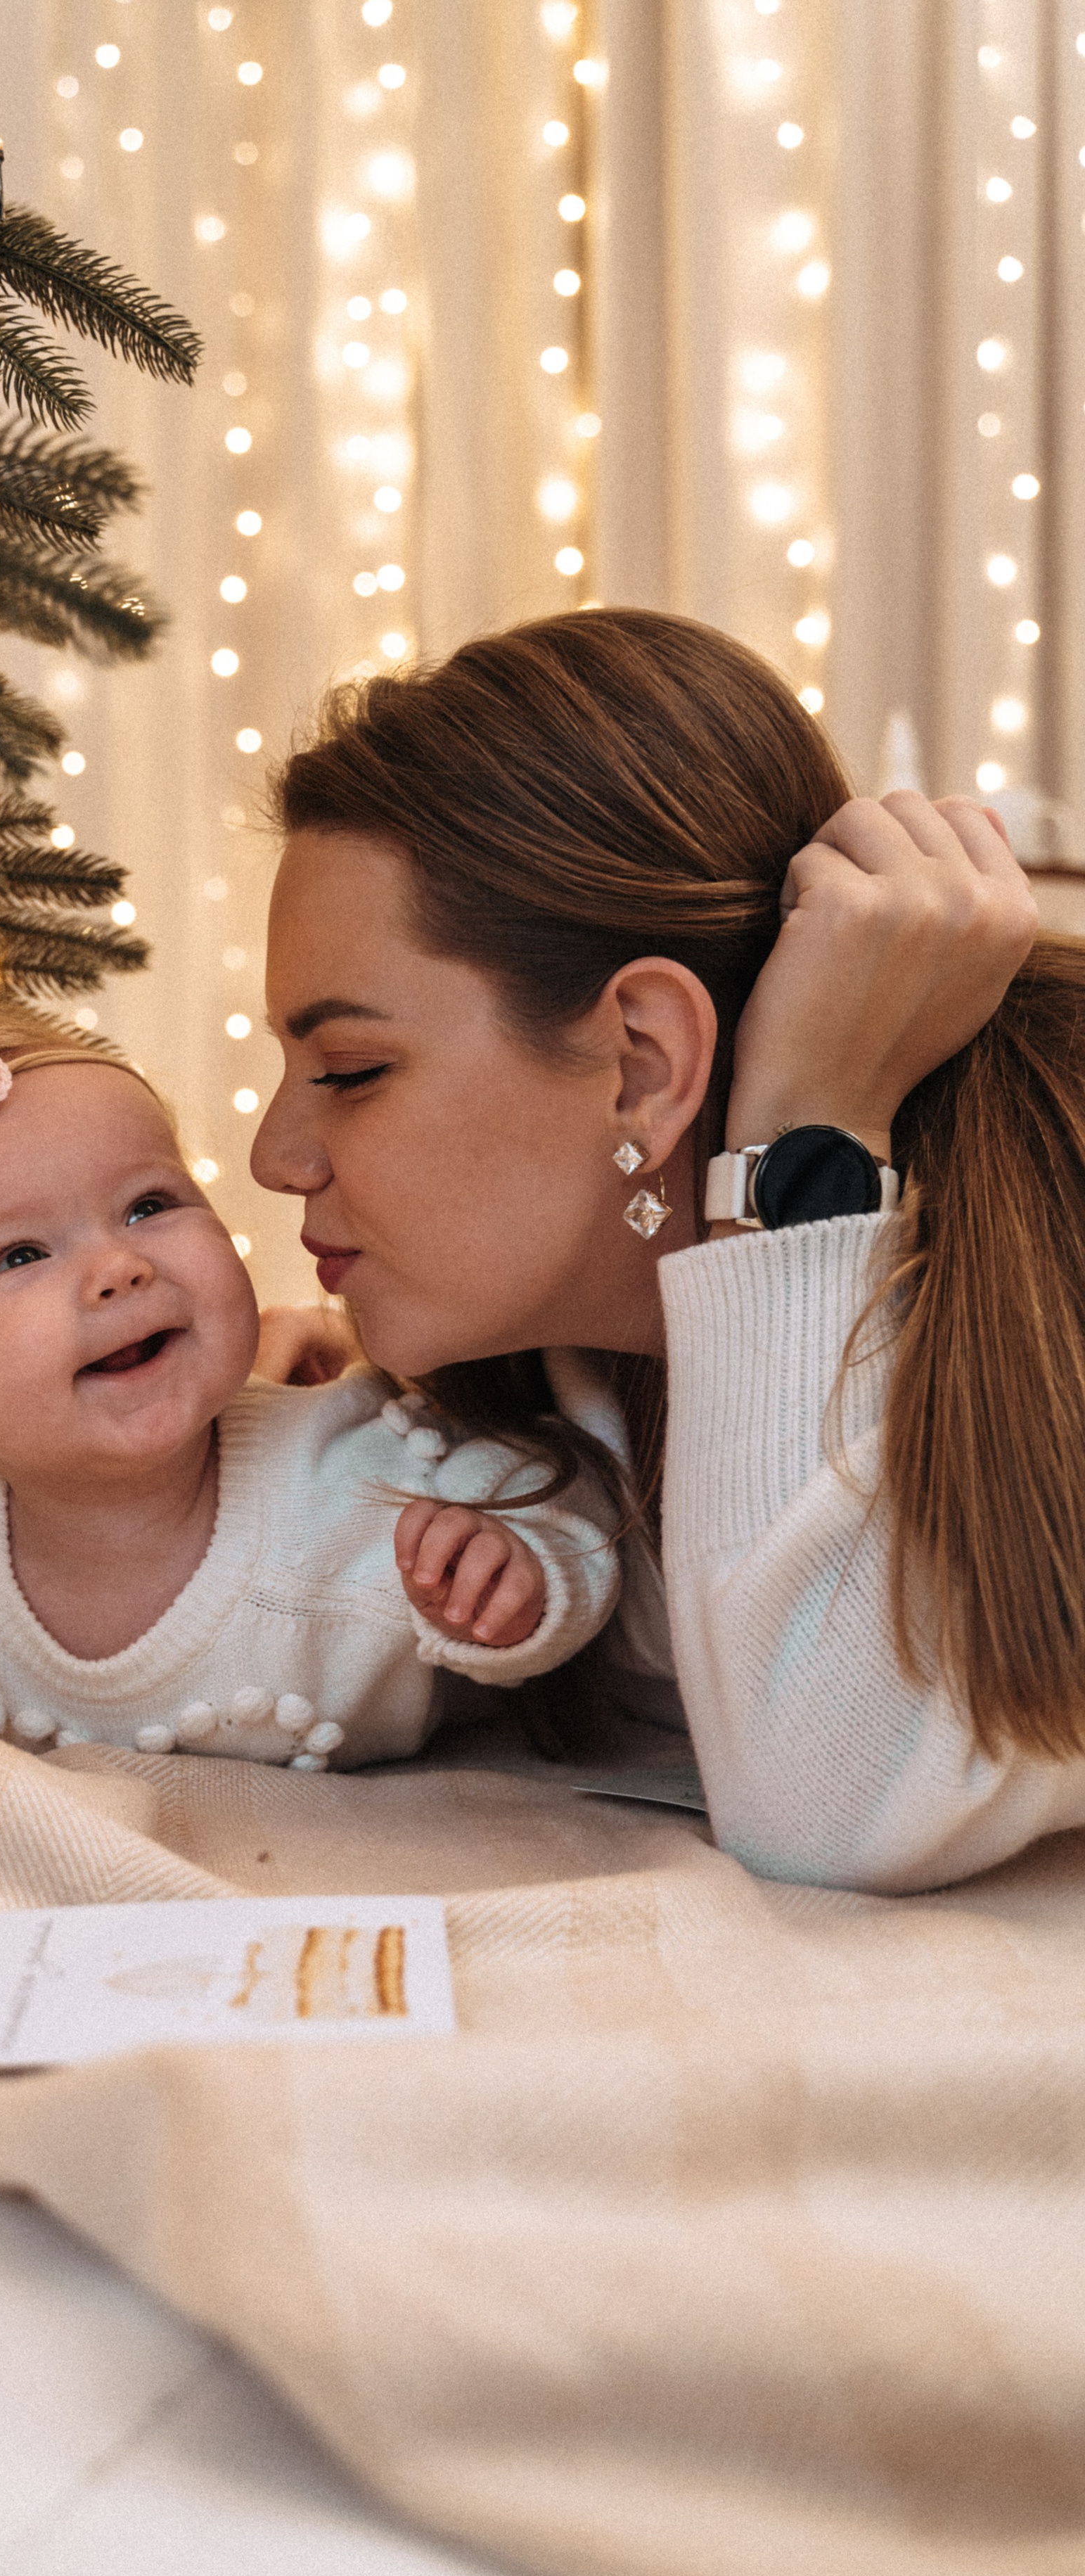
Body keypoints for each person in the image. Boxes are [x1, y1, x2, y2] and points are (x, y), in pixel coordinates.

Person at [249, 605, 1085, 1891]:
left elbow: (828, 1804)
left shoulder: (1044, 1280)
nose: (277, 1154)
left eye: (351, 1068)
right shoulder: (576, 1386)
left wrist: (808, 1136)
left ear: (645, 1063)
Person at [0, 1000, 623, 1770]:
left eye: (148, 1205)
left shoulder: (346, 1467)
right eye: (22, 1254)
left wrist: (520, 1576)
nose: (117, 1267)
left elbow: (562, 1497)